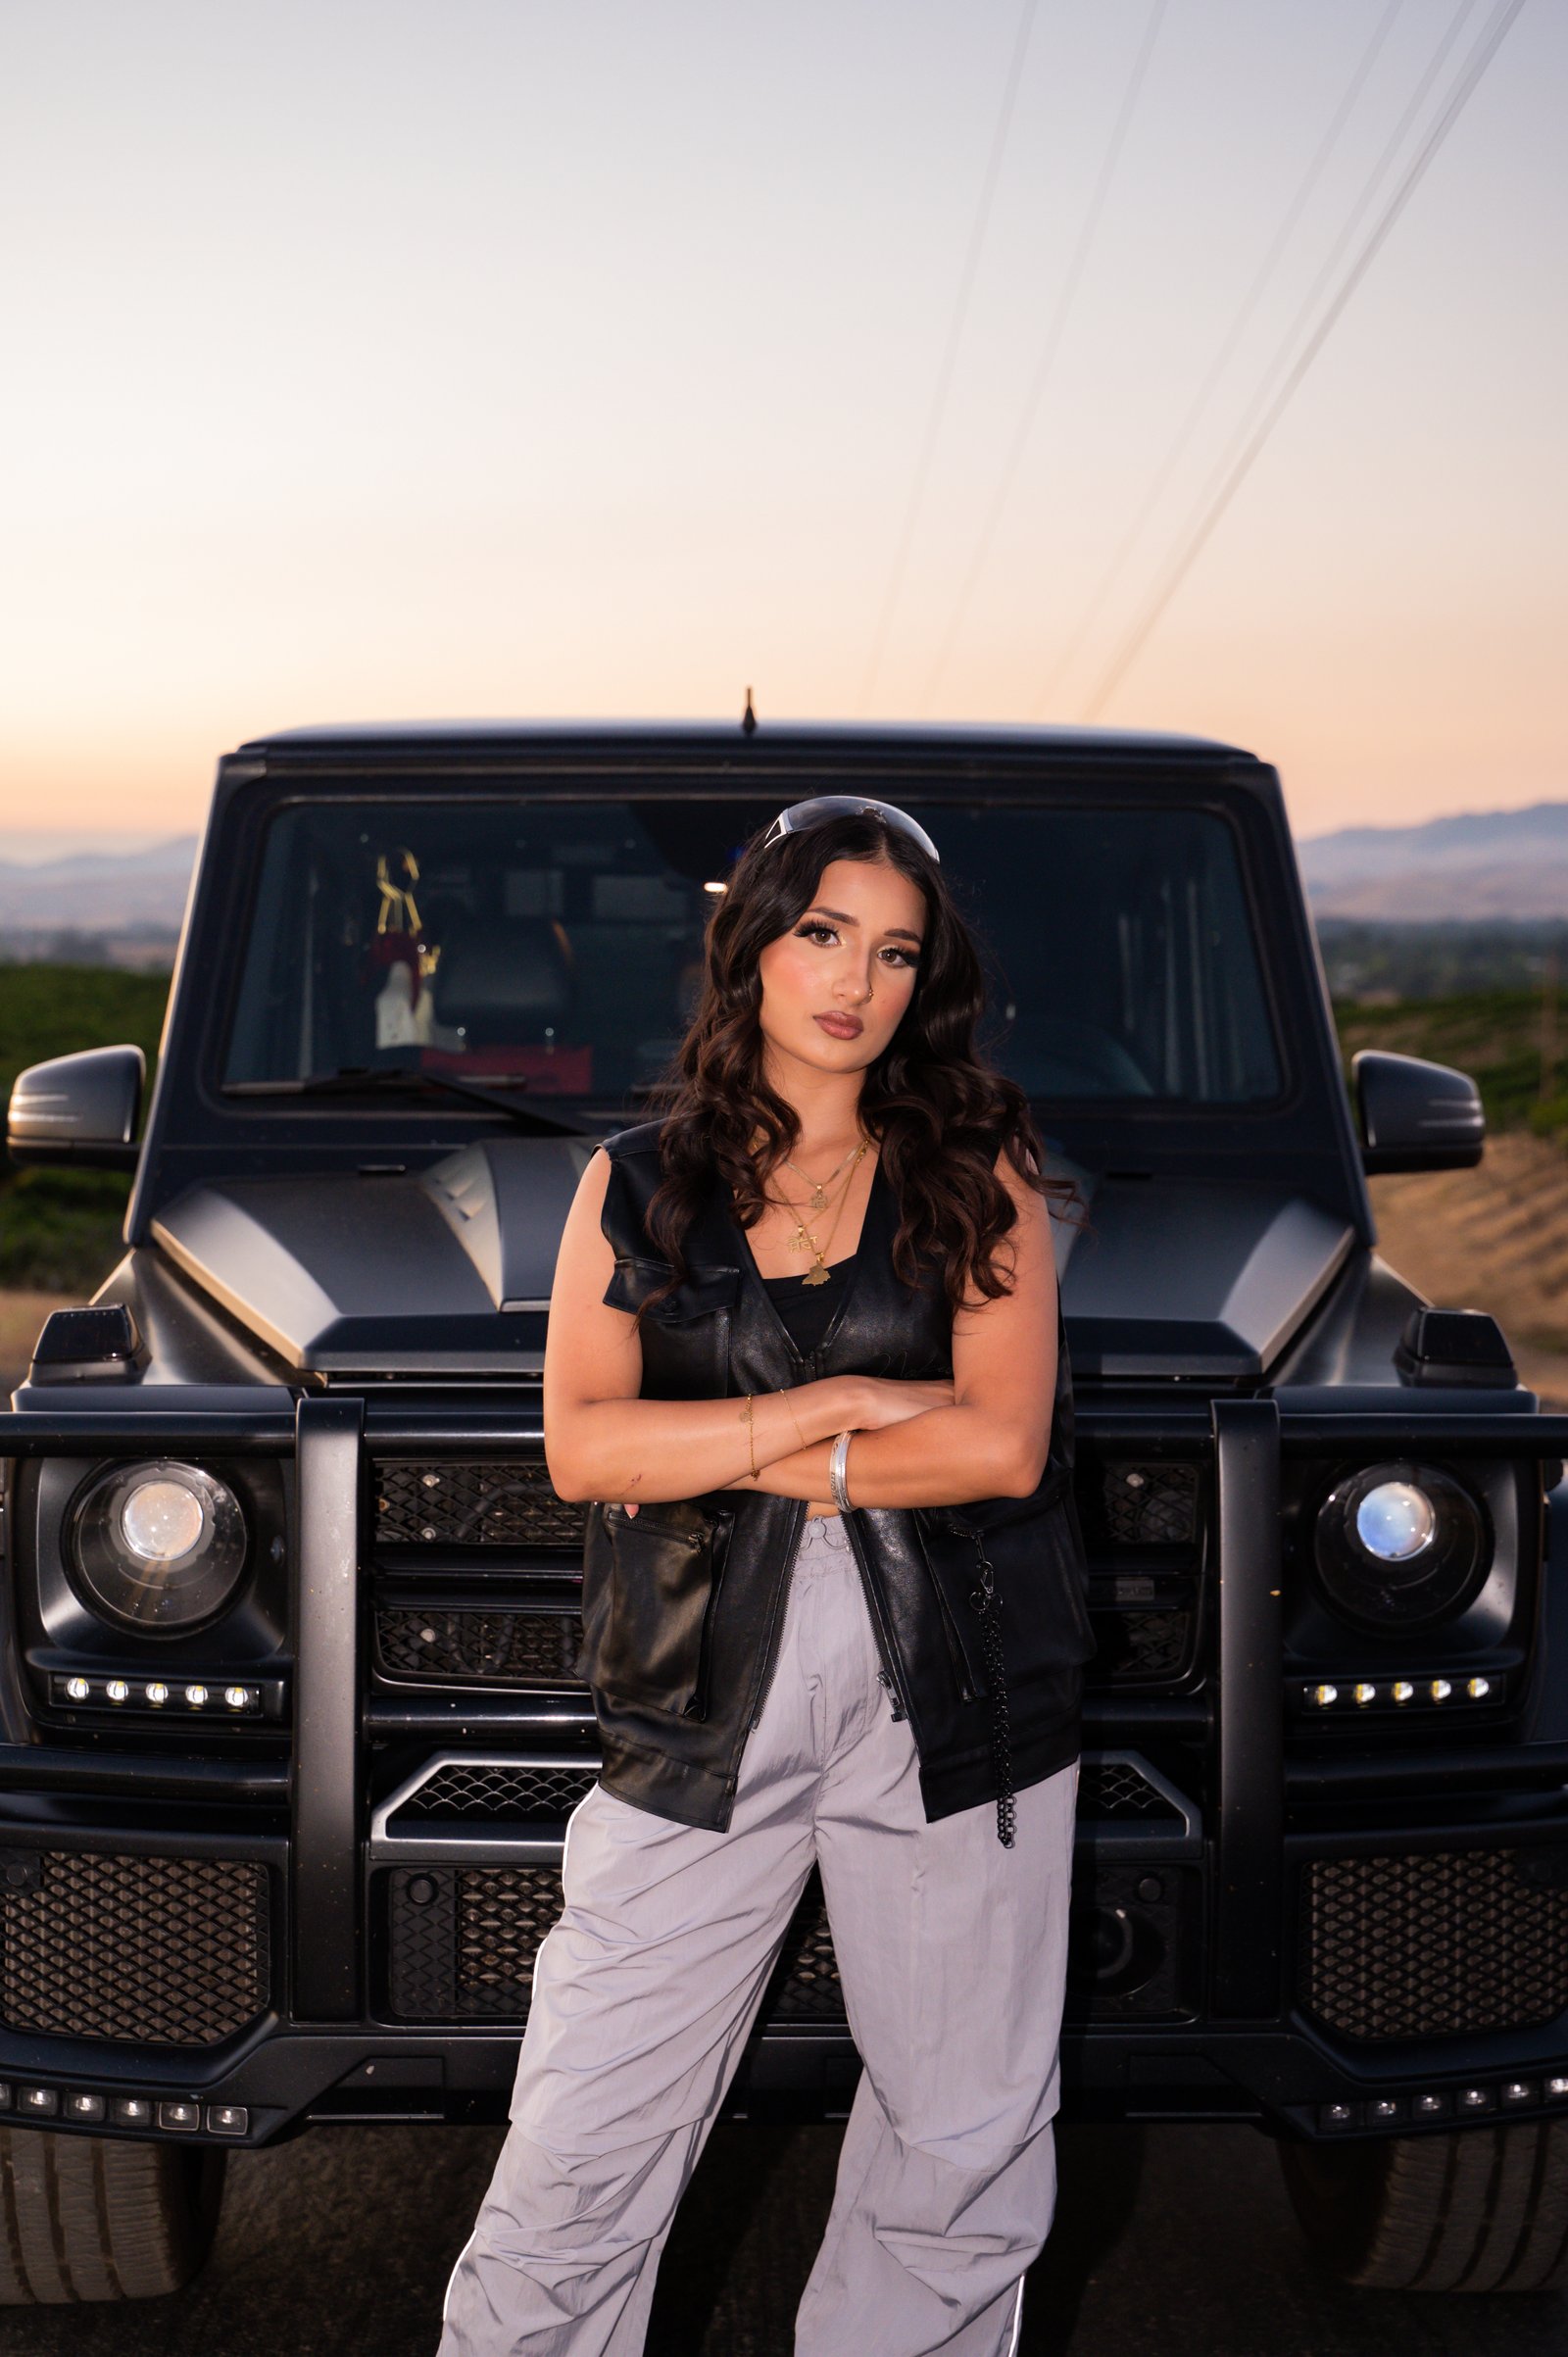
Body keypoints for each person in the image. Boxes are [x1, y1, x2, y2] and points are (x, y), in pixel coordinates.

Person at [439, 796, 1094, 2357]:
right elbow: (585, 1450)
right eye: (820, 933)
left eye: (891, 950)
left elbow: (1002, 1446)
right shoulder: (635, 1178)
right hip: (694, 1707)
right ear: (752, 945)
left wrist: (738, 1449)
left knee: (960, 2151)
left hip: (959, 1702)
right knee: (578, 2154)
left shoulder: (975, 1165)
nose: (851, 980)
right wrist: (825, 1409)